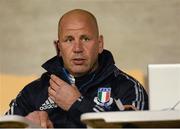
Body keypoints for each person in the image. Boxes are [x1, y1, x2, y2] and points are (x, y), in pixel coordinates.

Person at [6, 9, 149, 128]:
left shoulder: (128, 87)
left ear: (100, 44)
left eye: (85, 39)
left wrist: (77, 105)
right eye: (69, 40)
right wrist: (24, 125)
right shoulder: (34, 92)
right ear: (58, 48)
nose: (78, 49)